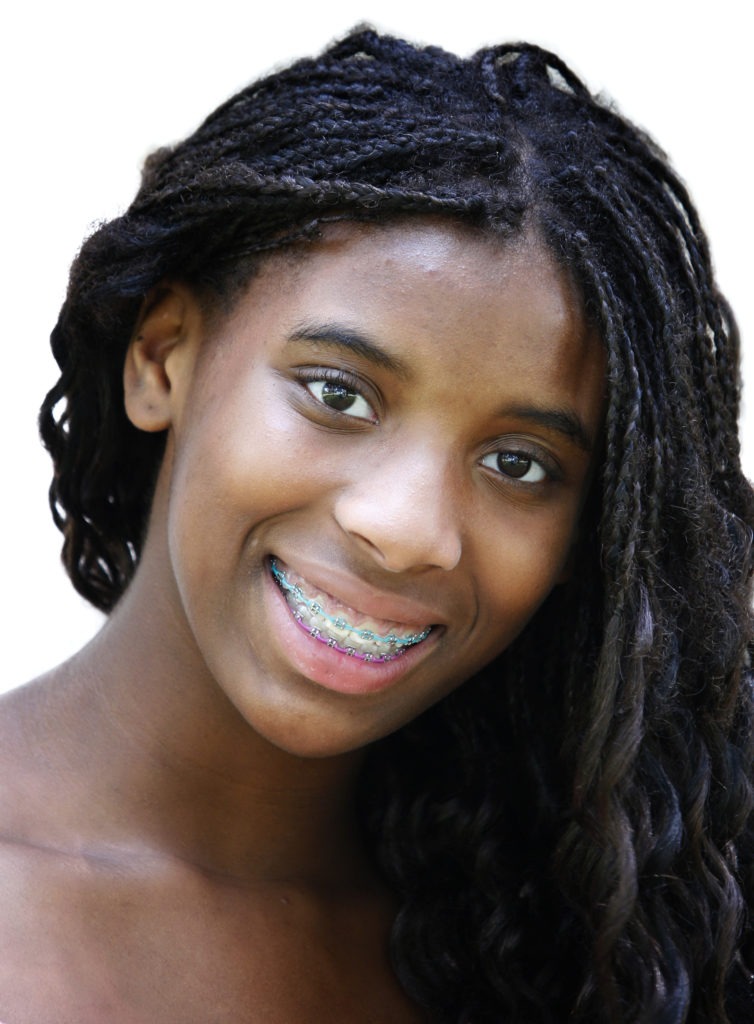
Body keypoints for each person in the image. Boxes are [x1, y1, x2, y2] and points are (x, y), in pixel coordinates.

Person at [0, 25, 751, 1024]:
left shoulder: (582, 941)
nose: (406, 529)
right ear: (162, 355)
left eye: (518, 464)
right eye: (337, 394)